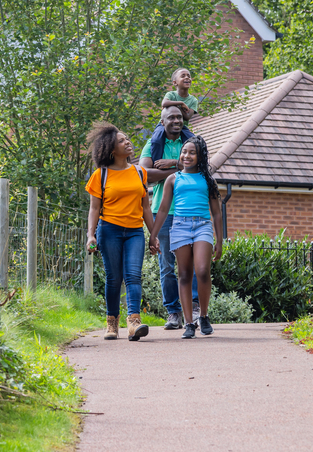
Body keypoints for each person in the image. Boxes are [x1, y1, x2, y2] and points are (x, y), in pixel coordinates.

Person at [85, 122, 160, 341]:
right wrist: (91, 234)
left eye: (127, 138)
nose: (127, 142)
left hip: (135, 231)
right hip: (109, 230)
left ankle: (134, 322)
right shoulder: (101, 175)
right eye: (121, 140)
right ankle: (111, 323)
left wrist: (153, 235)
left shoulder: (139, 172)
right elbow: (94, 208)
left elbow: (146, 207)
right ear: (111, 149)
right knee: (114, 278)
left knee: (134, 275)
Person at [148, 135, 223, 339]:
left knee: (202, 271)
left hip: (202, 226)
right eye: (184, 152)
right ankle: (189, 323)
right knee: (183, 274)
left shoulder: (208, 180)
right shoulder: (173, 178)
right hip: (180, 226)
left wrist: (220, 241)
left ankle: (204, 316)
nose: (186, 155)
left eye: (192, 152)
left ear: (200, 156)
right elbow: (163, 209)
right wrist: (153, 234)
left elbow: (217, 212)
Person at [140, 106, 198, 330]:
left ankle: (193, 308)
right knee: (166, 266)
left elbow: (201, 167)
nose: (177, 120)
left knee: (190, 264)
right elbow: (145, 174)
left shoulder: (191, 142)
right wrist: (182, 168)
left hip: (188, 210)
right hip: (161, 212)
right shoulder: (154, 144)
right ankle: (173, 313)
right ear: (162, 122)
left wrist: (171, 164)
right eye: (171, 117)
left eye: (179, 117)